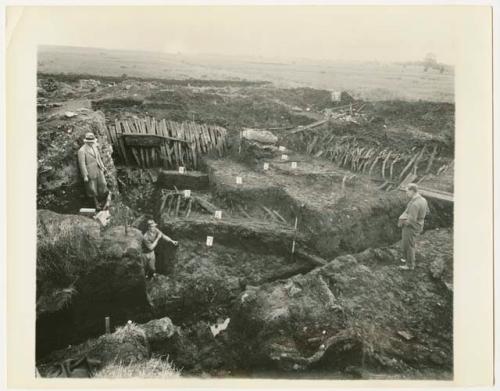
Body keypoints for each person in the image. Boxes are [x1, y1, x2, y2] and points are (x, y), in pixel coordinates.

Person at [398, 183, 429, 270]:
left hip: (411, 227)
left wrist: (402, 222)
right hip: (419, 224)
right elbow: (427, 212)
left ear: (412, 191)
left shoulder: (415, 204)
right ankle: (407, 259)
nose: (406, 193)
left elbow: (410, 221)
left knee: (409, 245)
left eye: (407, 191)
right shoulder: (423, 200)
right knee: (410, 243)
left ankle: (409, 265)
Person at [77, 132, 110, 210]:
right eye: (90, 142)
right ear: (86, 142)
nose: (92, 143)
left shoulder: (95, 147)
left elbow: (98, 158)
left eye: (93, 142)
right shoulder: (82, 151)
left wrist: (103, 166)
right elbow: (82, 164)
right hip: (90, 171)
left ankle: (102, 200)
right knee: (92, 188)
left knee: (103, 184)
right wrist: (85, 175)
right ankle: (96, 204)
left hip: (98, 169)